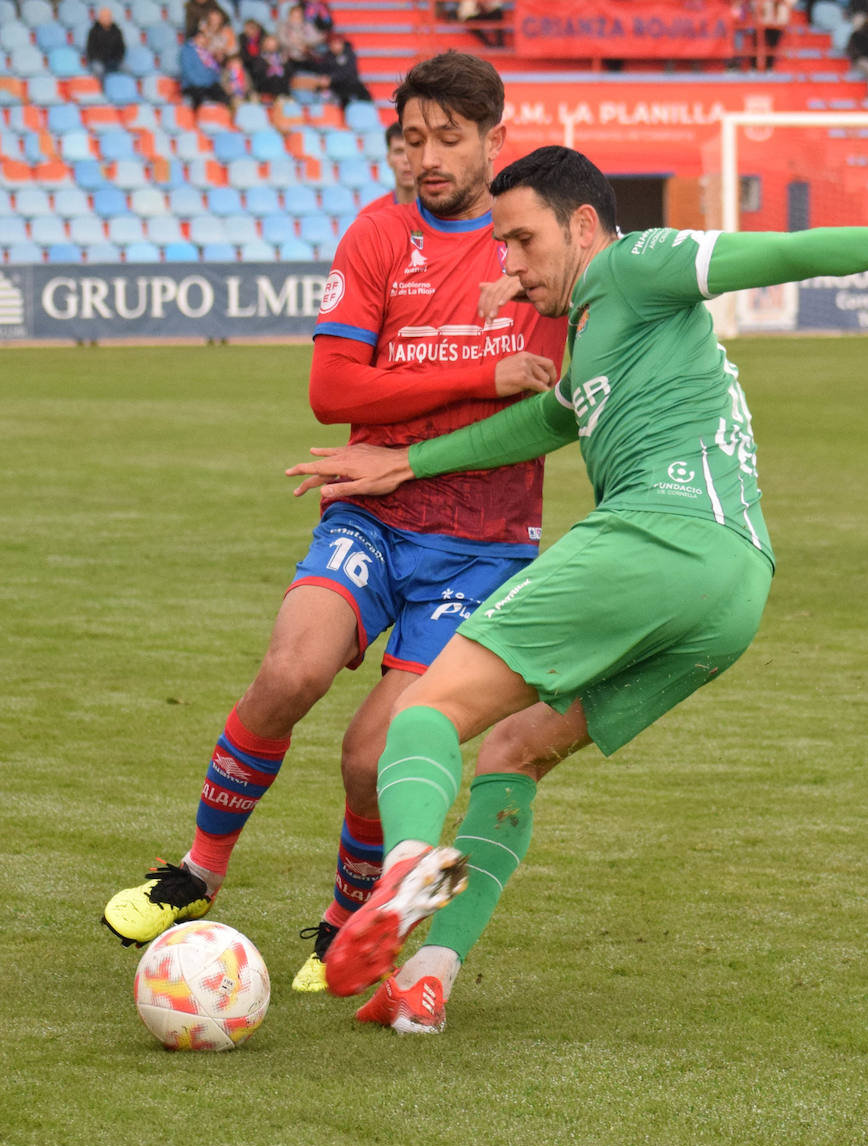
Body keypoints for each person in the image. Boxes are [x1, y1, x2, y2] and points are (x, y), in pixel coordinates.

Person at [284, 147, 868, 1031]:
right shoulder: (605, 329)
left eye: (522, 241)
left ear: (584, 226)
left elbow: (775, 253)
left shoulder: (633, 265)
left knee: (422, 714)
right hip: (732, 591)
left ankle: (408, 860)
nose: (511, 265)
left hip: (657, 536)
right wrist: (405, 462)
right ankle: (427, 979)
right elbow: (547, 419)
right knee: (513, 749)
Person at [101, 52, 569, 1002]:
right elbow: (331, 391)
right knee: (290, 671)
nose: (426, 158)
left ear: (495, 139)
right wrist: (477, 376)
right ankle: (197, 871)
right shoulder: (378, 235)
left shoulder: (530, 248)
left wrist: (440, 399)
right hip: (372, 514)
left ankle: (347, 915)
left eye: (448, 139)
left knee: (371, 753)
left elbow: (553, 406)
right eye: (412, 138)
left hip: (483, 546)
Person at [359, 121, 416, 216]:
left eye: (412, 151)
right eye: (399, 151)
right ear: (388, 159)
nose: (406, 159)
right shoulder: (370, 215)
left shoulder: (440, 213)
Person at [179, 28, 231, 110]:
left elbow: (214, 71)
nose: (203, 40)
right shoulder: (187, 51)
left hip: (208, 85)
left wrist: (214, 81)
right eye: (201, 37)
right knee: (202, 100)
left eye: (204, 38)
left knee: (224, 97)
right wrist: (205, 82)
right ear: (194, 38)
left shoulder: (206, 52)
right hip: (193, 86)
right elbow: (189, 74)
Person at [322, 31, 372, 108]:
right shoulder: (328, 57)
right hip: (336, 88)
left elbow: (349, 72)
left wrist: (332, 78)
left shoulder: (349, 54)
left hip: (351, 86)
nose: (336, 46)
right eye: (333, 43)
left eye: (338, 43)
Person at [247, 32, 291, 103]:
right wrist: (269, 66)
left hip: (282, 91)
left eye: (273, 43)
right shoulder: (259, 58)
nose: (271, 46)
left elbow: (288, 74)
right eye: (269, 43)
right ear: (263, 44)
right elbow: (257, 75)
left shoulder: (282, 58)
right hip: (264, 90)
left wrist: (284, 64)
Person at [84, 7, 126, 78]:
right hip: (99, 61)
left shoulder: (117, 31)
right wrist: (101, 58)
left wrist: (116, 58)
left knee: (126, 69)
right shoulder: (93, 31)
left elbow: (121, 48)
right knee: (99, 69)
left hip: (114, 60)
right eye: (104, 16)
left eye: (108, 16)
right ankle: (102, 85)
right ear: (99, 18)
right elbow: (91, 50)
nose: (106, 18)